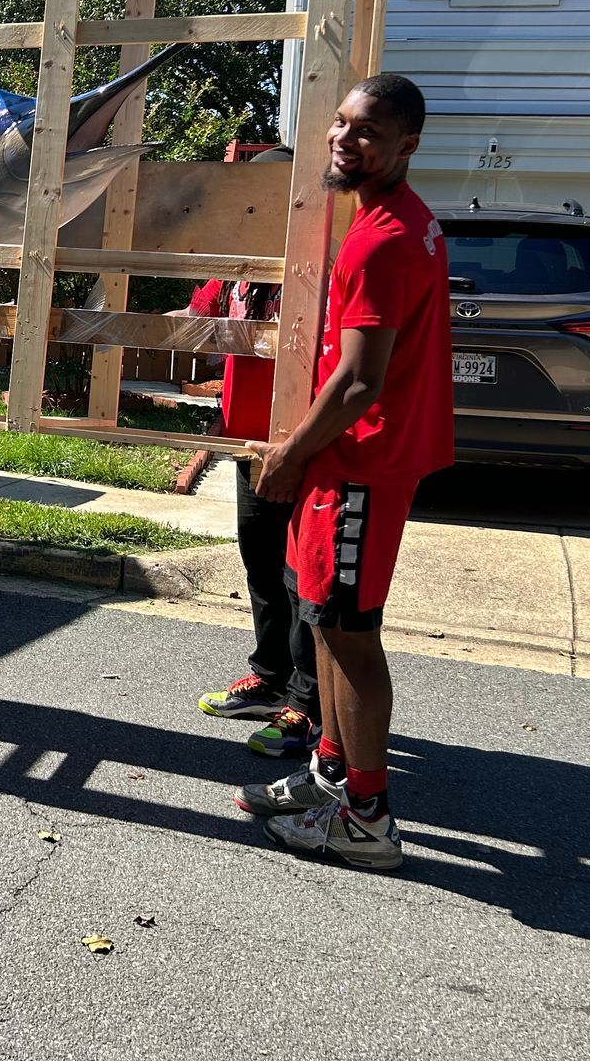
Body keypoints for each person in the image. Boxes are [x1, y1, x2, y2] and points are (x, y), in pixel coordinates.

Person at [235, 75, 452, 871]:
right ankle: (330, 775)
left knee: (351, 636)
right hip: (351, 461)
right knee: (324, 619)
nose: (344, 139)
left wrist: (290, 454)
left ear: (406, 146)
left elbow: (362, 380)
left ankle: (367, 816)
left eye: (367, 131)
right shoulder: (401, 222)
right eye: (340, 124)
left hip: (361, 461)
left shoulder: (385, 239)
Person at [190, 147, 319, 759]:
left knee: (304, 582)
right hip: (248, 443)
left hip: (298, 447)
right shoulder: (242, 269)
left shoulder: (315, 264)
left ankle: (307, 705)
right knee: (262, 567)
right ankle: (269, 680)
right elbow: (200, 315)